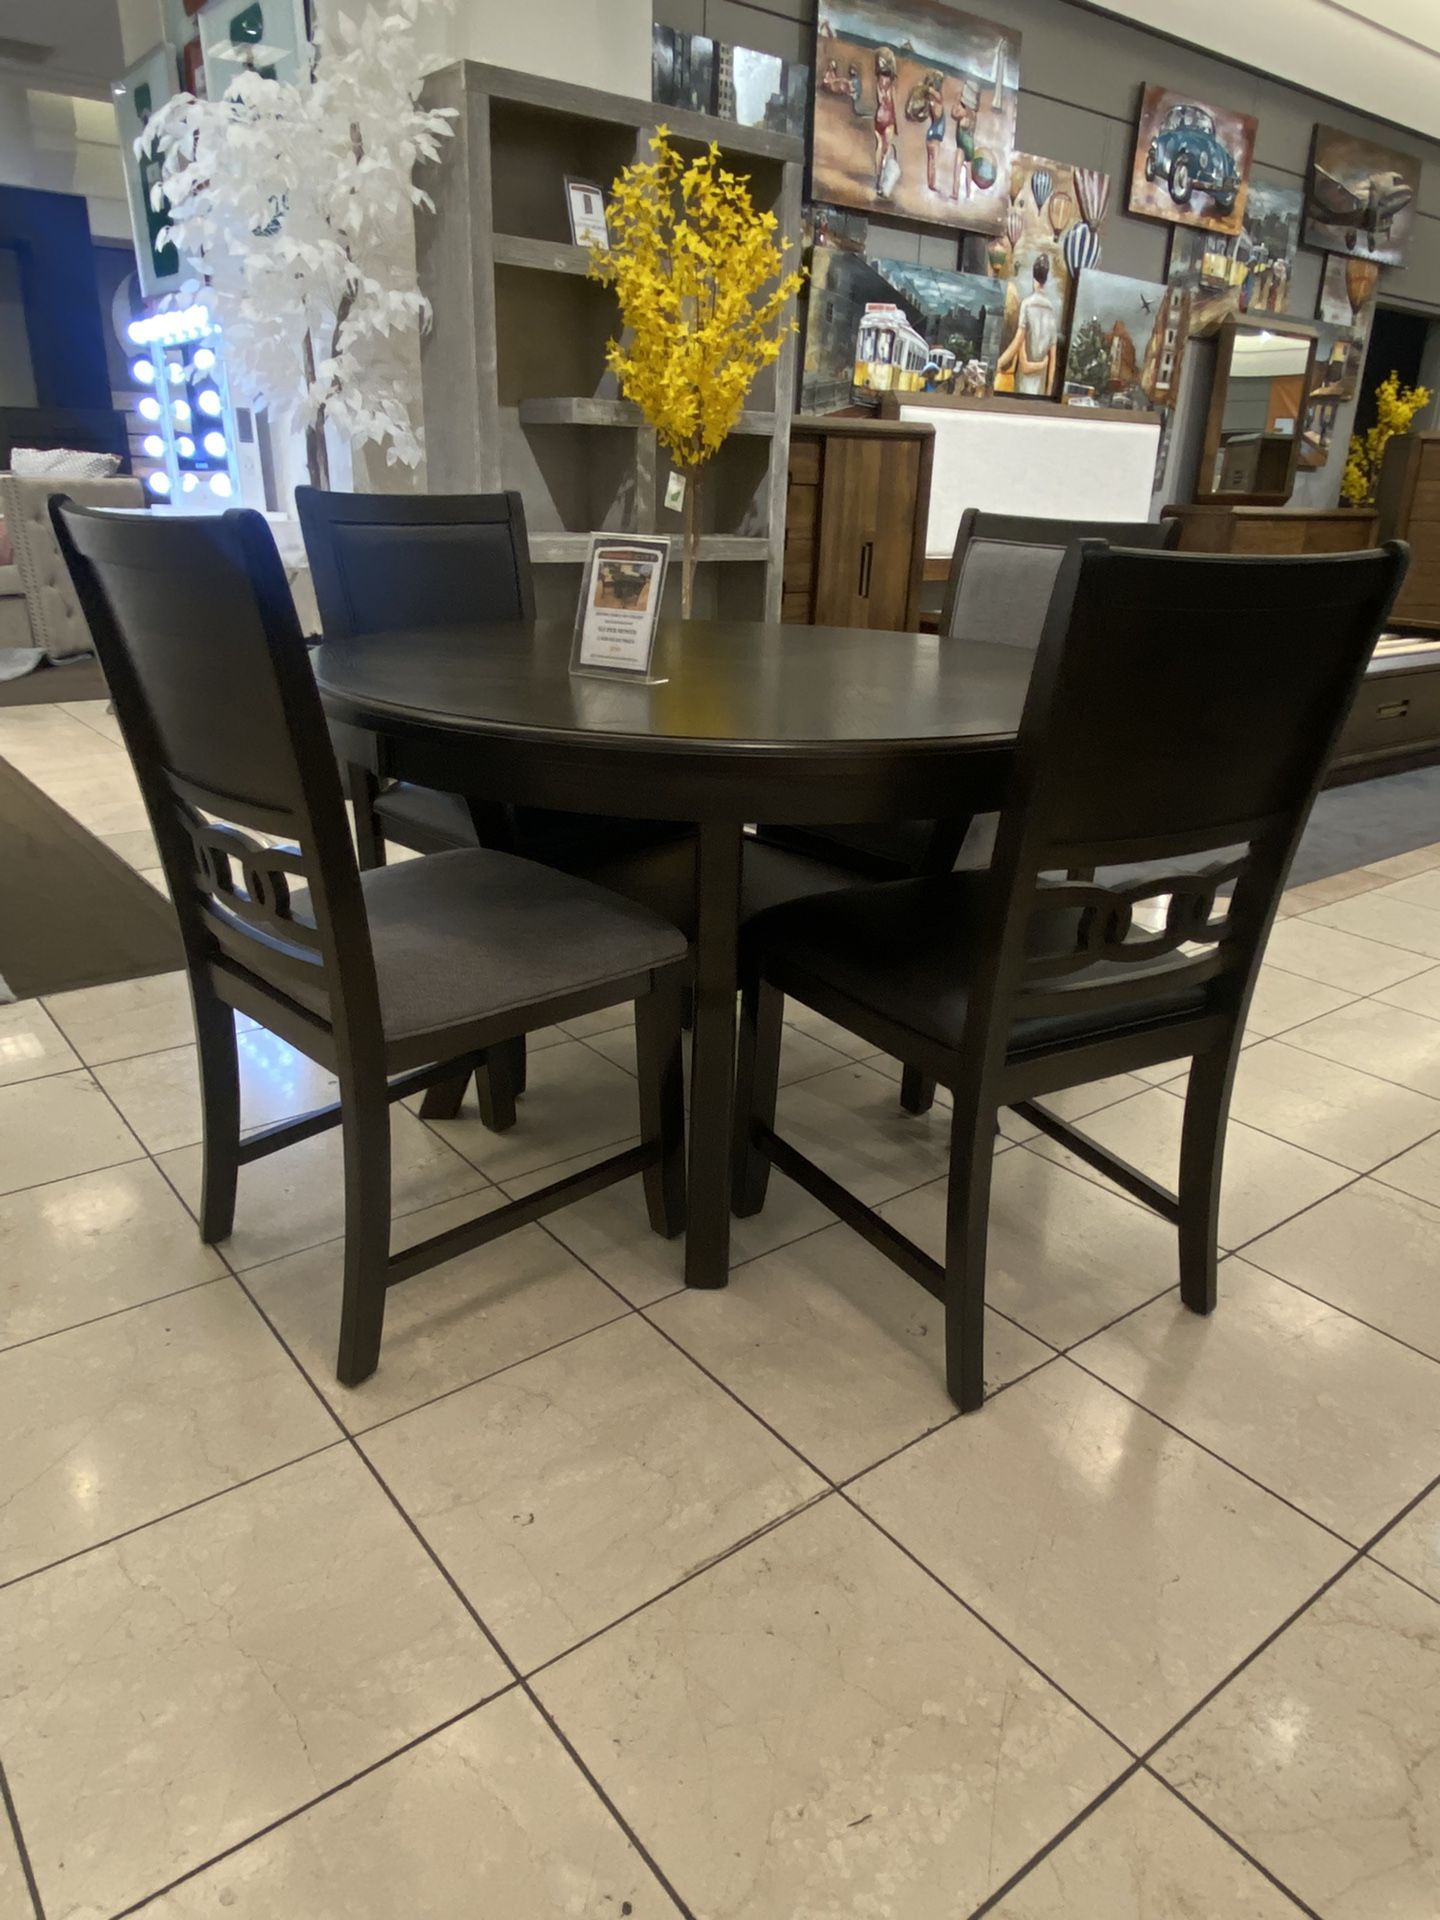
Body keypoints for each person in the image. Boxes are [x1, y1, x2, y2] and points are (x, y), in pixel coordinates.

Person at [996, 252, 1059, 396]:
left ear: (1033, 277)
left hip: (1023, 386)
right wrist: (1049, 391)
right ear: (1046, 278)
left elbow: (1017, 342)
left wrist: (998, 364)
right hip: (1040, 389)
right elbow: (1053, 358)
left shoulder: (1027, 304)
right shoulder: (1051, 310)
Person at [872, 48, 897, 196]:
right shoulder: (890, 85)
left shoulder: (878, 83)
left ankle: (877, 178)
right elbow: (891, 103)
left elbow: (880, 99)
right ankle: (882, 182)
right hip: (888, 117)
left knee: (879, 146)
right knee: (886, 151)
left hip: (879, 116)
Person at [920, 70, 946, 194]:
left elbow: (929, 91)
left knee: (930, 160)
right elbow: (933, 93)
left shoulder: (932, 102)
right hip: (935, 134)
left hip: (931, 132)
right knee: (933, 161)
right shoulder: (938, 99)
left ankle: (930, 183)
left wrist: (927, 87)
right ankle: (932, 184)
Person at [951, 85, 976, 201]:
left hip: (962, 143)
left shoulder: (964, 112)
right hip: (969, 144)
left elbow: (953, 114)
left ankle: (956, 193)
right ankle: (968, 194)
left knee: (958, 167)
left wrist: (956, 101)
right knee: (968, 171)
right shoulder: (973, 115)